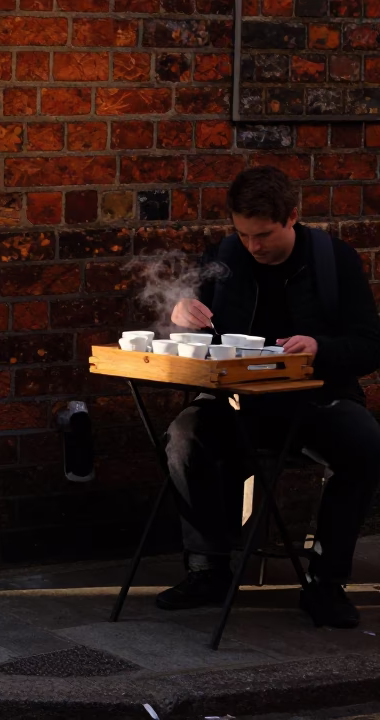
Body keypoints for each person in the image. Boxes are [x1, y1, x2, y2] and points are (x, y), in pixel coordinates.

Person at [158, 165, 380, 629]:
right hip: (237, 403)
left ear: (292, 217)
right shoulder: (223, 256)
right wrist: (179, 312)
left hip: (317, 400)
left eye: (263, 236)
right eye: (243, 234)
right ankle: (207, 569)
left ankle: (326, 582)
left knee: (364, 441)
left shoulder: (334, 260)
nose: (253, 247)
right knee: (184, 436)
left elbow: (369, 344)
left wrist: (321, 348)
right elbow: (180, 323)